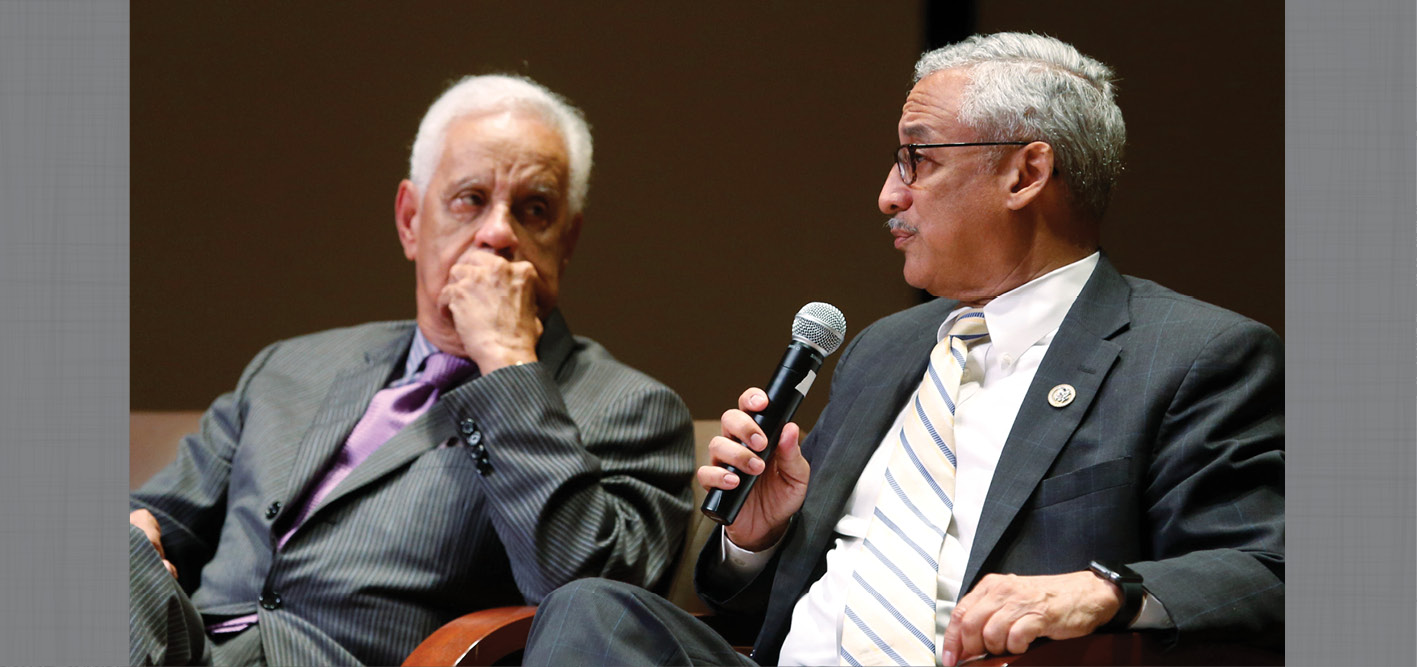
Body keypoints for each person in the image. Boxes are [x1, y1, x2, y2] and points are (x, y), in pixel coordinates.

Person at [520, 32, 1284, 666]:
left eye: (917, 159)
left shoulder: (1192, 353)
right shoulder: (884, 349)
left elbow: (1268, 570)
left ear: (1026, 172)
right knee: (590, 610)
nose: (888, 194)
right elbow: (752, 609)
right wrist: (757, 538)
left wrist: (1101, 588)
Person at [128, 74, 696, 666]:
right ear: (410, 221)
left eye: (535, 210)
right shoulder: (290, 366)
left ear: (567, 239)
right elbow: (156, 519)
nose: (499, 233)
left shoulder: (631, 407)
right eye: (470, 200)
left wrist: (505, 362)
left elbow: (587, 606)